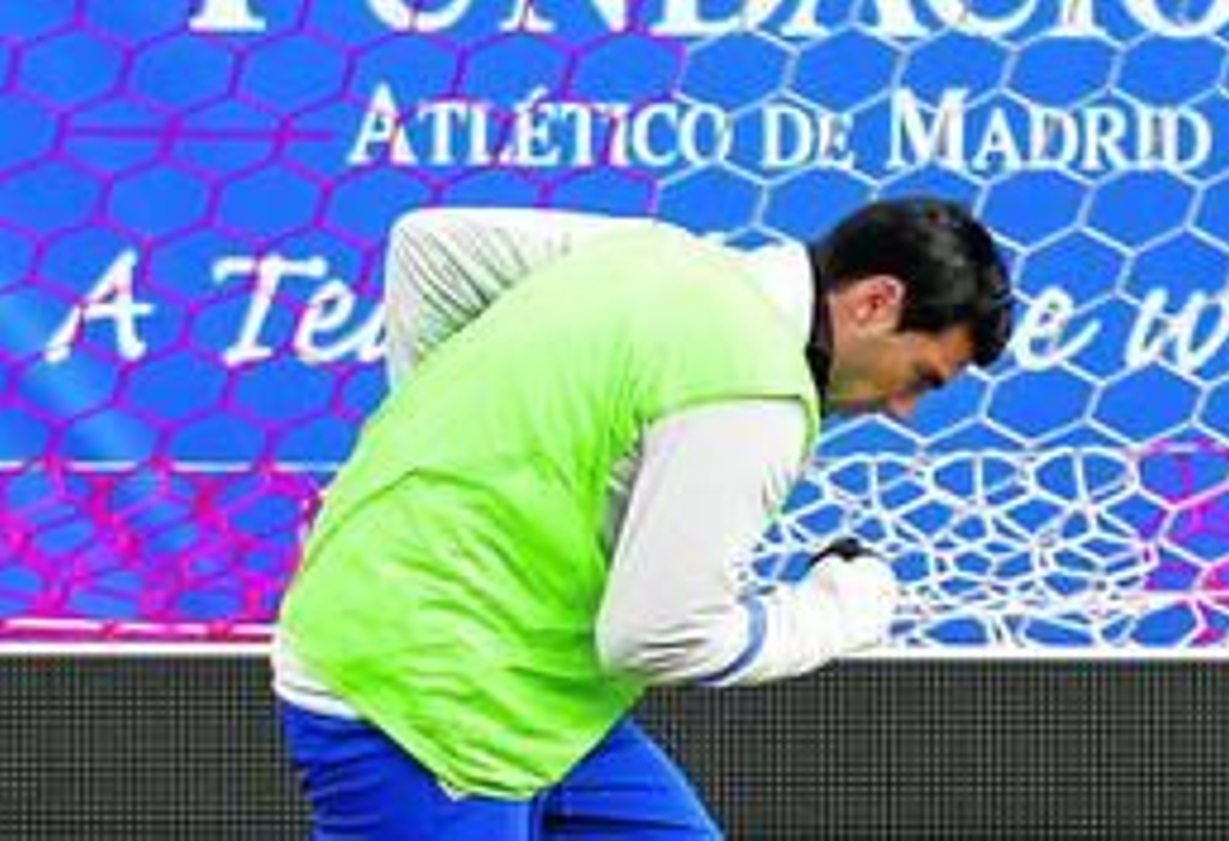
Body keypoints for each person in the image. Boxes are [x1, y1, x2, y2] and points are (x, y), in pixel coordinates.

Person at [272, 197, 1013, 838]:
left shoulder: (654, 256)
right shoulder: (755, 391)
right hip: (422, 707)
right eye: (920, 376)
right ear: (875, 302)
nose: (904, 409)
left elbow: (432, 249)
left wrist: (437, 466)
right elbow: (656, 637)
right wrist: (840, 611)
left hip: (545, 704)